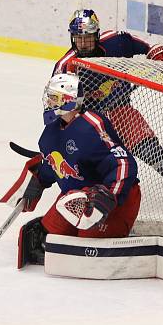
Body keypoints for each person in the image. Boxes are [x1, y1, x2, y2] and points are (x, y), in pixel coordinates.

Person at [53, 8, 163, 209]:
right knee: (95, 164)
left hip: (121, 109)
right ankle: (94, 200)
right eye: (79, 39)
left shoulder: (116, 42)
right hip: (90, 121)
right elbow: (57, 106)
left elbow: (146, 46)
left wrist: (155, 51)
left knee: (149, 148)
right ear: (71, 38)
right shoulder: (66, 66)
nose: (84, 44)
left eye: (88, 38)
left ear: (97, 35)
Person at [17, 72, 141, 268]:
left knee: (86, 242)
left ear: (68, 100)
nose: (48, 101)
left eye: (54, 97)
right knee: (50, 237)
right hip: (75, 198)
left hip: (114, 199)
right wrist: (39, 179)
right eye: (49, 96)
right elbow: (56, 163)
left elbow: (123, 164)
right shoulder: (51, 130)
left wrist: (110, 195)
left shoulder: (92, 125)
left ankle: (118, 229)